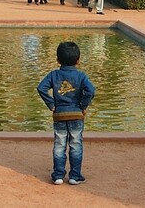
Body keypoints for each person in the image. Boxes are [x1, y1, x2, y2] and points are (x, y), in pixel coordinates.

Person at [37, 42, 95, 186]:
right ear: (78, 60)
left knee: (59, 144)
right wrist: (83, 105)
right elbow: (91, 91)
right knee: (76, 144)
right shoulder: (81, 76)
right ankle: (75, 176)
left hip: (60, 115)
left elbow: (41, 88)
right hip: (76, 114)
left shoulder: (53, 75)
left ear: (58, 60)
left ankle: (58, 175)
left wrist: (51, 104)